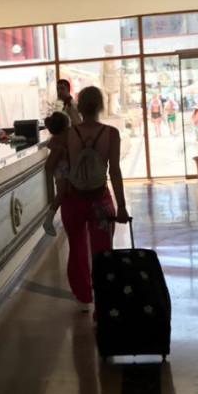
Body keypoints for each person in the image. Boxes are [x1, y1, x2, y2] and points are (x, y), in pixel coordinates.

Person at [62, 86, 129, 312]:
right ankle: (103, 302)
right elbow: (115, 171)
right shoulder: (111, 134)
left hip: (73, 201)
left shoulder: (69, 134)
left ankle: (83, 296)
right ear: (101, 106)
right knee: (103, 253)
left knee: (76, 249)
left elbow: (63, 167)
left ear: (80, 107)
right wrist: (121, 205)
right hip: (100, 201)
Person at [42, 111, 70, 236]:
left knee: (62, 194)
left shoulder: (56, 139)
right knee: (61, 195)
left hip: (61, 170)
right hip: (62, 171)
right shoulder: (60, 140)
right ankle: (48, 220)